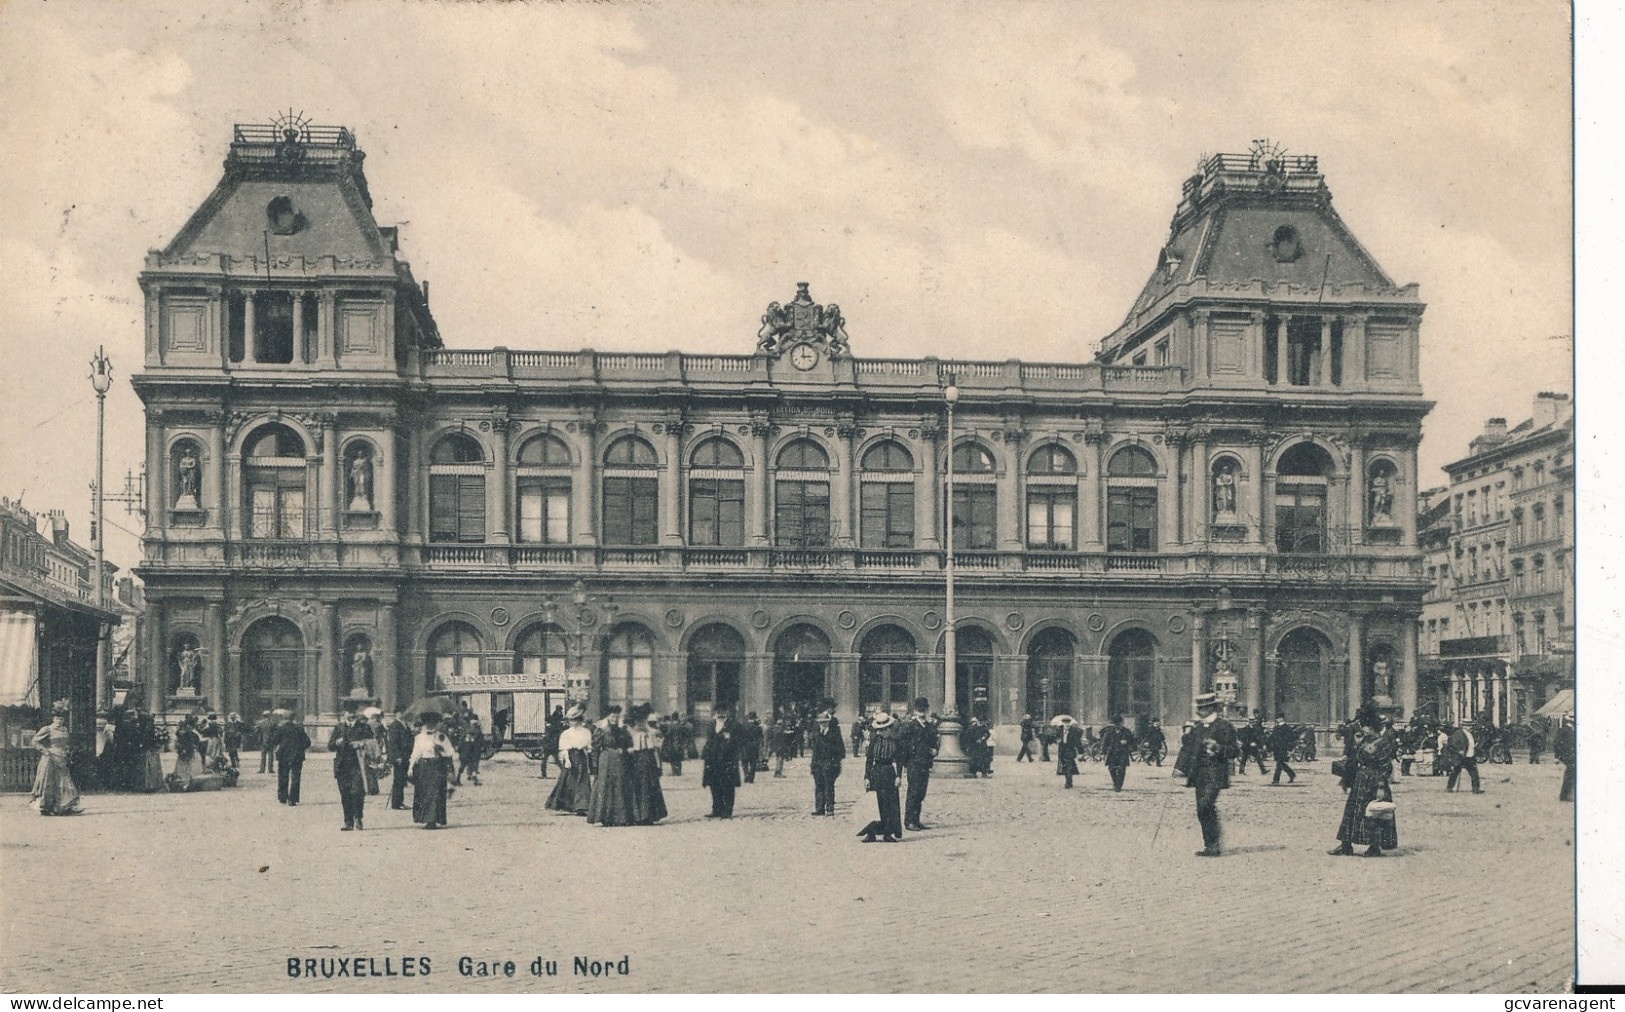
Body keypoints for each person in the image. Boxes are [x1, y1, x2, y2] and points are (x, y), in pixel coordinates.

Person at [1329, 703, 1400, 857]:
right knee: (1352, 812)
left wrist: (1381, 787)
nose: (1361, 729)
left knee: (1374, 814)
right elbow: (1357, 757)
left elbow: (1385, 766)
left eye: (1364, 726)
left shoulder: (1383, 743)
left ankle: (1375, 846)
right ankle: (1346, 845)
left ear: (1372, 727)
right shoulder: (1365, 740)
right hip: (1361, 780)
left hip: (1375, 781)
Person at [1174, 693, 1239, 857]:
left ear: (1211, 708)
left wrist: (1218, 748)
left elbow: (1234, 751)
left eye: (1203, 708)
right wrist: (1179, 768)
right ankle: (1210, 844)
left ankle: (1214, 844)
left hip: (1215, 773)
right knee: (1201, 809)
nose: (1200, 711)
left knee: (1205, 806)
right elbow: (1187, 749)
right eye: (1199, 708)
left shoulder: (1224, 727)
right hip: (1199, 774)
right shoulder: (1197, 728)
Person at [857, 710, 903, 843]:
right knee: (872, 803)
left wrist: (898, 776)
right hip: (875, 772)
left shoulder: (895, 741)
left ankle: (888, 833)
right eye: (880, 729)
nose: (881, 732)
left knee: (889, 804)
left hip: (889, 772)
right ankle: (871, 833)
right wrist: (866, 777)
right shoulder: (874, 740)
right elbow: (869, 759)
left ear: (889, 728)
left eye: (884, 729)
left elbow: (899, 760)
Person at [587, 707, 636, 827]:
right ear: (608, 717)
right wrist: (595, 766)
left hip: (619, 761)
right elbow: (595, 749)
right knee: (605, 786)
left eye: (616, 717)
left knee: (619, 786)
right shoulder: (601, 731)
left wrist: (623, 750)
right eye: (612, 717)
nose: (614, 719)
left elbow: (629, 745)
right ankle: (604, 817)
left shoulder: (623, 731)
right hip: (606, 761)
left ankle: (620, 817)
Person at [29, 704, 81, 815]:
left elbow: (65, 744)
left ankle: (65, 807)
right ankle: (46, 808)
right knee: (50, 782)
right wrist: (45, 751)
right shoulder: (48, 729)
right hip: (51, 758)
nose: (59, 721)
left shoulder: (65, 729)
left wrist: (67, 750)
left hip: (62, 758)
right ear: (53, 718)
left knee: (65, 781)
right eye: (57, 718)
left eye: (61, 718)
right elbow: (34, 741)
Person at [409, 712, 456, 830]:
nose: (430, 725)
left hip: (437, 766)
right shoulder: (419, 737)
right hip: (424, 767)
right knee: (424, 793)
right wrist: (411, 766)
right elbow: (416, 753)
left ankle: (433, 820)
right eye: (427, 723)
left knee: (436, 793)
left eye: (432, 723)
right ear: (424, 724)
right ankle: (426, 819)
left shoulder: (441, 736)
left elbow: (450, 752)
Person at [329, 707, 373, 830]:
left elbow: (372, 743)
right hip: (342, 766)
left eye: (353, 713)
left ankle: (358, 817)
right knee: (345, 794)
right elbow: (330, 746)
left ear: (357, 714)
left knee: (358, 792)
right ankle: (348, 822)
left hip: (358, 765)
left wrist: (361, 744)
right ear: (344, 714)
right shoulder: (339, 728)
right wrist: (336, 743)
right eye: (348, 712)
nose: (351, 715)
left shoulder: (364, 727)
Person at [546, 705, 594, 815]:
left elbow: (588, 745)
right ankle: (567, 805)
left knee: (582, 781)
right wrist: (567, 760)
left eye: (577, 719)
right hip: (571, 756)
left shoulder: (586, 732)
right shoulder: (566, 733)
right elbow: (564, 747)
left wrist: (589, 751)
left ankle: (581, 806)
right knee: (568, 781)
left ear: (581, 720)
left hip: (581, 757)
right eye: (572, 720)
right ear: (569, 721)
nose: (575, 722)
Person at [625, 703, 668, 825]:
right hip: (635, 762)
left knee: (650, 787)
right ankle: (637, 816)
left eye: (643, 721)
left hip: (649, 762)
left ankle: (649, 816)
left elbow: (655, 751)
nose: (640, 723)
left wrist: (659, 767)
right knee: (636, 788)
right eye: (638, 721)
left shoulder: (652, 732)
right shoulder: (631, 733)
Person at [900, 697, 938, 831]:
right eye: (919, 710)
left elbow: (934, 742)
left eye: (923, 709)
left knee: (921, 792)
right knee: (913, 792)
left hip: (925, 763)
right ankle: (909, 821)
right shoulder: (909, 726)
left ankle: (916, 820)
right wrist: (906, 761)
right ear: (915, 710)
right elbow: (902, 745)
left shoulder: (930, 726)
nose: (921, 712)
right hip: (914, 763)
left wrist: (935, 750)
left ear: (927, 710)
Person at [702, 705, 741, 819]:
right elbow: (709, 741)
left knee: (728, 785)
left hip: (727, 760)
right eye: (718, 712)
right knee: (714, 785)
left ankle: (727, 810)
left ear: (727, 712)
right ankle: (716, 809)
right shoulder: (712, 725)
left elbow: (740, 741)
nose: (720, 714)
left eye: (723, 711)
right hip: (713, 760)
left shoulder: (734, 725)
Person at [810, 701, 845, 815]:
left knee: (829, 785)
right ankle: (819, 808)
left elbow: (837, 746)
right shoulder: (816, 733)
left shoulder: (833, 733)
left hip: (829, 763)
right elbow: (814, 748)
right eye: (821, 723)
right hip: (818, 763)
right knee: (819, 785)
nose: (823, 724)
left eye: (825, 722)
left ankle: (830, 808)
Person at [273, 713, 311, 805]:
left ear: (284, 718)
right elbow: (307, 742)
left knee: (283, 776)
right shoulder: (299, 729)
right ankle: (292, 799)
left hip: (283, 756)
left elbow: (274, 740)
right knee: (295, 778)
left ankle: (283, 797)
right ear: (292, 719)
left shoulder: (280, 728)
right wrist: (300, 748)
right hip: (297, 756)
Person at [384, 708, 414, 810]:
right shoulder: (395, 725)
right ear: (397, 713)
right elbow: (393, 743)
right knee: (399, 780)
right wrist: (397, 756)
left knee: (402, 779)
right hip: (400, 757)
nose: (403, 714)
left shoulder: (405, 724)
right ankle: (397, 803)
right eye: (402, 712)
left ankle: (399, 802)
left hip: (406, 756)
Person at [1442, 722, 1483, 794]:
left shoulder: (1471, 734)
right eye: (1469, 726)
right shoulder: (1458, 733)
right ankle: (1449, 787)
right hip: (1461, 757)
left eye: (1471, 726)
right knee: (1455, 772)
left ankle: (1475, 789)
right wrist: (1459, 750)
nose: (1470, 727)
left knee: (1474, 773)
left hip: (1470, 756)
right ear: (1464, 726)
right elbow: (1454, 743)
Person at [1101, 714, 1137, 791]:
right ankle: (1115, 782)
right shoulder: (1109, 732)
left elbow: (1133, 742)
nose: (1118, 725)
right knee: (1111, 769)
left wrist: (1126, 742)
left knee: (1122, 769)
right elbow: (1104, 743)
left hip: (1122, 753)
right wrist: (1103, 754)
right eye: (1116, 724)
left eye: (1120, 723)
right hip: (1112, 752)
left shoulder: (1126, 731)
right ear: (1114, 724)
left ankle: (1118, 785)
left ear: (1122, 723)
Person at [171, 714, 205, 789]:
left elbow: (197, 742)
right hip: (184, 753)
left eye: (190, 726)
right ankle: (184, 782)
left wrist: (195, 747)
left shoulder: (194, 734)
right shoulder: (183, 734)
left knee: (193, 767)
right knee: (183, 768)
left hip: (192, 753)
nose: (188, 727)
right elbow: (179, 742)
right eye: (187, 726)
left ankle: (193, 782)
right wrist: (182, 749)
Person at [1266, 714, 1299, 785]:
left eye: (1278, 718)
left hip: (1283, 748)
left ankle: (1276, 780)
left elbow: (1291, 738)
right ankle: (1292, 774)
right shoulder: (1276, 727)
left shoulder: (1287, 728)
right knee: (1281, 764)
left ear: (1281, 719)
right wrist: (1269, 747)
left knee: (1279, 764)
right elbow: (1271, 738)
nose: (1276, 720)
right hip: (1276, 749)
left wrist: (1289, 748)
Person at [1054, 715, 1082, 788]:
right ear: (1062, 723)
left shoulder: (1074, 731)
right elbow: (1055, 737)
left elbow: (1078, 742)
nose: (1066, 725)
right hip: (1062, 750)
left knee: (1068, 766)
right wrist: (1057, 740)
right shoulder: (1059, 730)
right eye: (1065, 723)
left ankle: (1068, 783)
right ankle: (1069, 781)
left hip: (1070, 750)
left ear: (1070, 724)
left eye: (1068, 723)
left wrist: (1081, 752)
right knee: (1065, 766)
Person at [457, 714, 485, 786]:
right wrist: (481, 749)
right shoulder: (478, 731)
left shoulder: (466, 730)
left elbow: (461, 741)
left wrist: (460, 750)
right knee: (474, 764)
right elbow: (481, 742)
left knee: (462, 765)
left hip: (465, 750)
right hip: (474, 750)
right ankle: (475, 780)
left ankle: (458, 779)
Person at [541, 705, 565, 779]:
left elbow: (548, 719)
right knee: (556, 760)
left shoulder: (553, 720)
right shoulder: (559, 719)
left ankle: (544, 774)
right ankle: (563, 772)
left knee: (545, 760)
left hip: (549, 745)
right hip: (554, 745)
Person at [738, 711, 763, 784]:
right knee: (753, 762)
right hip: (754, 747)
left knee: (744, 762)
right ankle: (751, 777)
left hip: (745, 746)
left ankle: (746, 774)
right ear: (755, 717)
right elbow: (760, 738)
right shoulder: (758, 727)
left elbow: (740, 737)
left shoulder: (743, 725)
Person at [1554, 714, 1575, 802]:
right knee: (1570, 774)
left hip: (1568, 755)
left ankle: (1566, 795)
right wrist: (1558, 756)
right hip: (1568, 755)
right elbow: (1558, 743)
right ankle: (1565, 796)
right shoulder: (1566, 730)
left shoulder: (1566, 730)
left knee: (1570, 774)